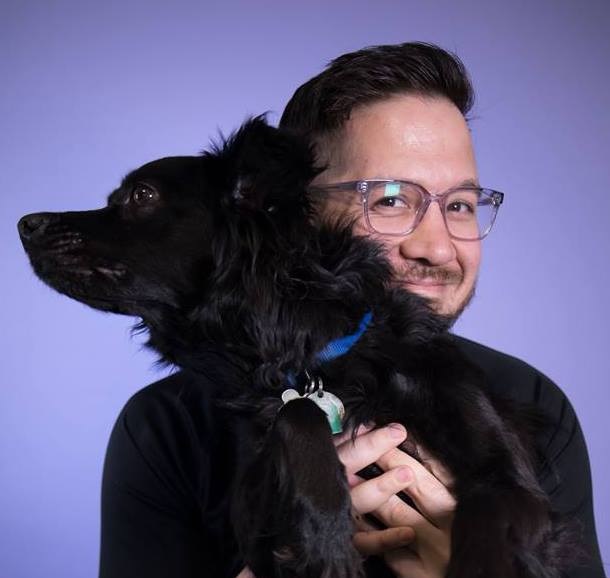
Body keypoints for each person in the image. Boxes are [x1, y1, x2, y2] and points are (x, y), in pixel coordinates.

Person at [98, 43, 605, 578]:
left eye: (459, 205)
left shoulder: (532, 402)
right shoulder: (167, 427)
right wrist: (286, 556)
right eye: (389, 199)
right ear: (295, 215)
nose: (436, 247)